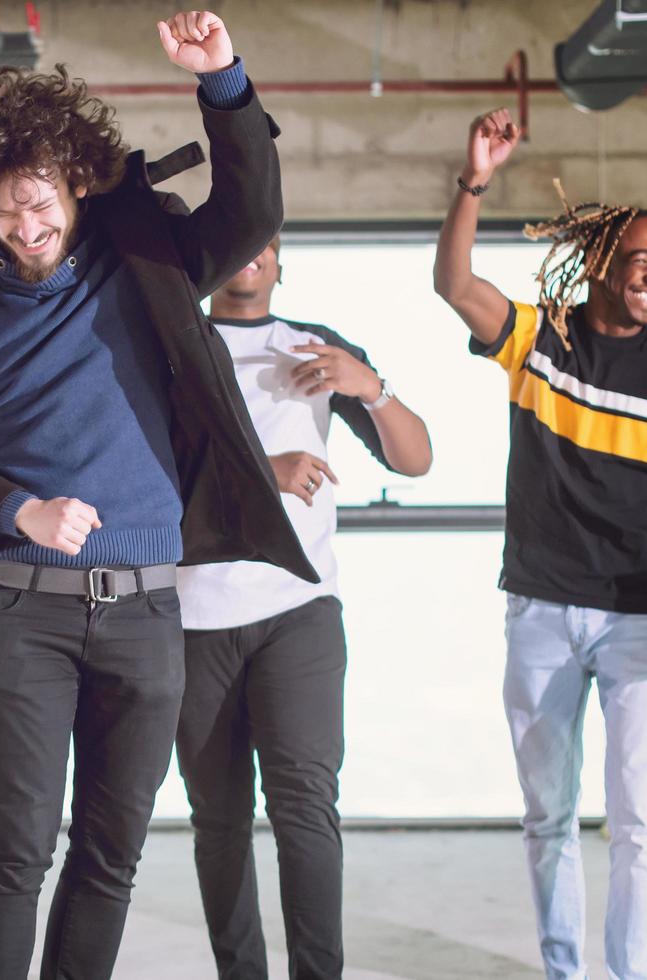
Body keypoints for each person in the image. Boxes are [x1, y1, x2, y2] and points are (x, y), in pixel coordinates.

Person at [0, 10, 315, 978]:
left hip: (149, 611)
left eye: (40, 202)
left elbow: (253, 212)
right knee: (17, 852)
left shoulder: (146, 263)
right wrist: (16, 507)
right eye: (3, 209)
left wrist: (222, 78)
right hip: (25, 612)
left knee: (112, 856)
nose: (25, 228)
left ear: (74, 182)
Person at [432, 108, 647, 980]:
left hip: (636, 616)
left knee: (638, 819)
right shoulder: (541, 339)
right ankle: (564, 970)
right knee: (546, 816)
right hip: (538, 606)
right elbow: (454, 281)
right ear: (602, 263)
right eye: (639, 258)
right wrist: (474, 179)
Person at [177, 237, 432, 978]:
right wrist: (265, 473)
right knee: (218, 822)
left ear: (281, 262)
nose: (249, 255)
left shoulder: (318, 349)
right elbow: (151, 467)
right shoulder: (172, 342)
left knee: (305, 812)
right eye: (235, 241)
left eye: (265, 244)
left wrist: (369, 387)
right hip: (192, 615)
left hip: (299, 611)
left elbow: (415, 459)